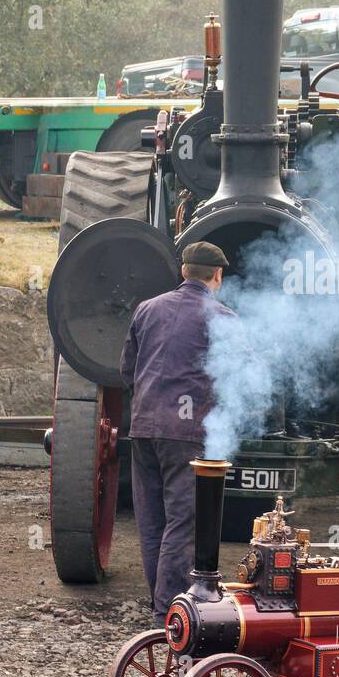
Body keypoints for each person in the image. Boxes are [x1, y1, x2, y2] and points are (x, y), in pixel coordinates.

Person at [121, 241, 236, 624]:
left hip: (143, 427)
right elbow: (239, 376)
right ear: (216, 276)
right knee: (182, 522)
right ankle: (168, 612)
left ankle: (160, 605)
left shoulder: (146, 309)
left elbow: (127, 370)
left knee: (151, 519)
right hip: (186, 433)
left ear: (184, 271)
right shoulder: (222, 317)